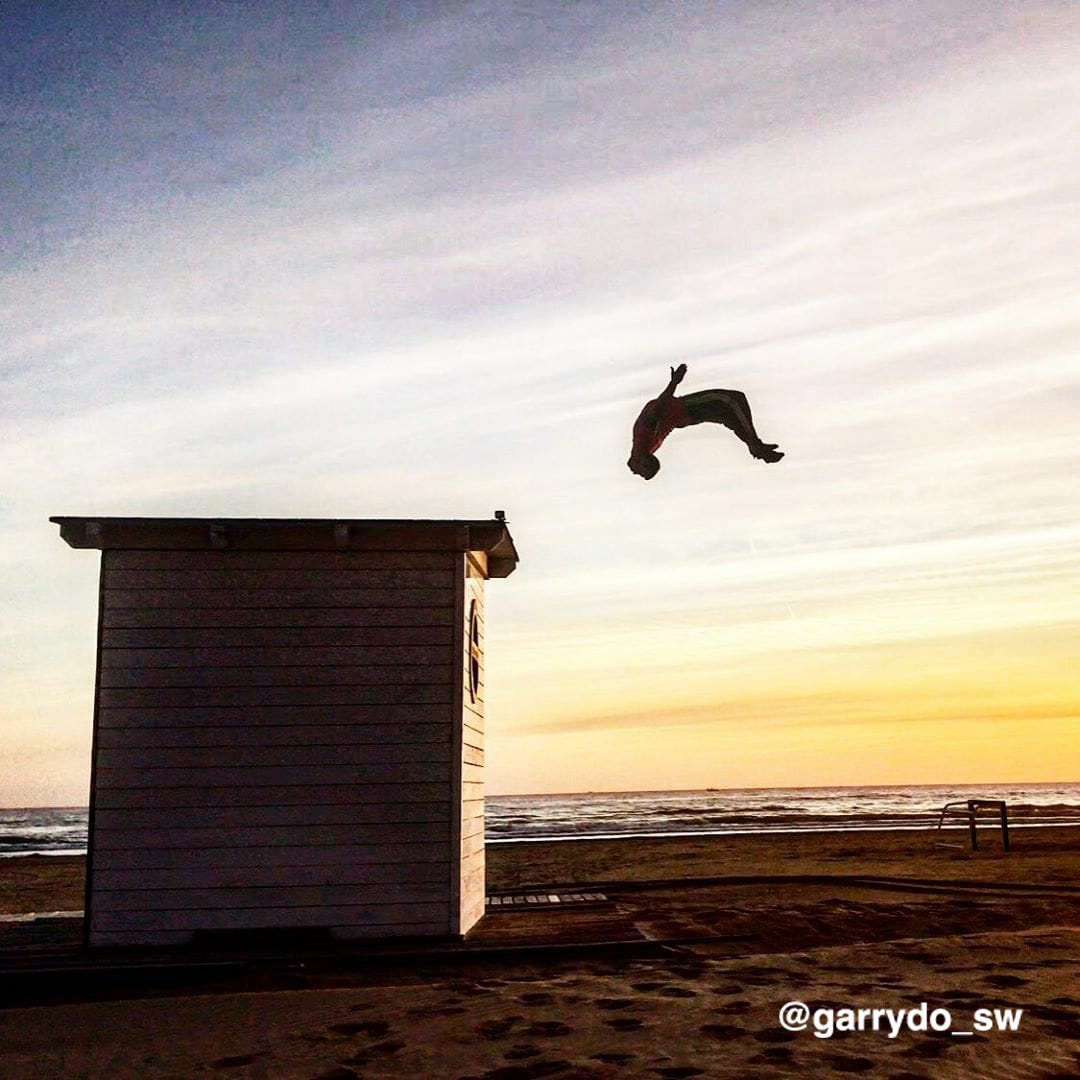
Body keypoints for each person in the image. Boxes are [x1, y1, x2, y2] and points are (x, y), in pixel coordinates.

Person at [628, 364, 783, 479]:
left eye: (639, 473)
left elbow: (659, 407)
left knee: (730, 416)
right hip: (688, 410)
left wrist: (674, 383)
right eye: (639, 473)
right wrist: (674, 383)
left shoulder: (642, 438)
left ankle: (755, 445)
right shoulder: (643, 447)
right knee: (734, 400)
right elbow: (658, 409)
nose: (634, 472)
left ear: (642, 461)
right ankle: (755, 444)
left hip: (688, 409)